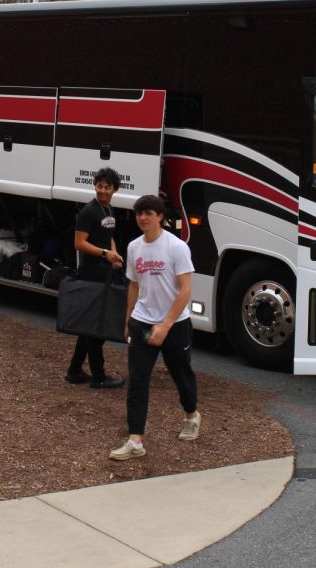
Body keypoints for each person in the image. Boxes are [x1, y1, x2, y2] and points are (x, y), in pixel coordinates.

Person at [109, 194, 200, 461]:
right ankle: (135, 440)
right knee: (137, 380)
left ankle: (192, 415)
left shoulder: (176, 247)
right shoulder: (134, 247)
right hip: (142, 321)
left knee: (180, 374)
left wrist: (166, 324)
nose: (143, 218)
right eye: (139, 213)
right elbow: (134, 285)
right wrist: (128, 319)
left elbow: (186, 291)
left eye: (149, 213)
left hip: (175, 324)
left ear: (160, 216)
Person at [65, 167, 125, 389]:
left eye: (107, 187)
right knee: (96, 326)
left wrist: (115, 255)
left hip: (105, 270)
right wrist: (103, 254)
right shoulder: (89, 211)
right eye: (99, 186)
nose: (102, 190)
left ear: (114, 189)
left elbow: (108, 237)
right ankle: (99, 376)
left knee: (89, 323)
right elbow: (79, 244)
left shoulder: (109, 210)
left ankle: (74, 371)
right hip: (91, 273)